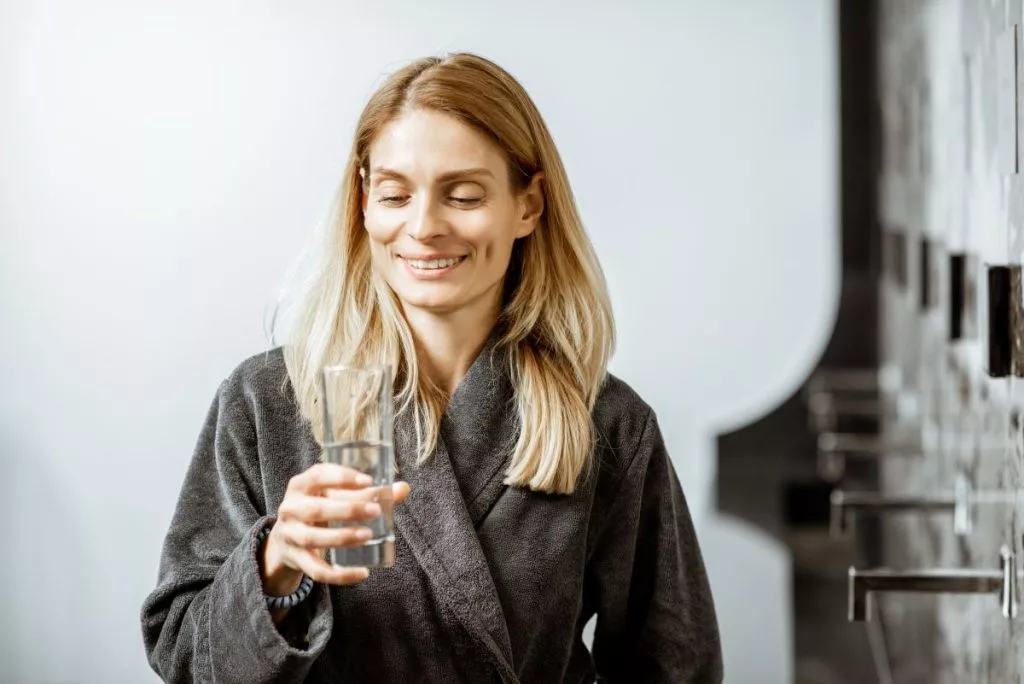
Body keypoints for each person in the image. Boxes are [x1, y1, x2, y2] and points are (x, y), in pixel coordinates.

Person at [140, 51, 723, 684]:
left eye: (464, 195)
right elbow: (183, 657)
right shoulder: (266, 403)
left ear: (528, 205)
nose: (423, 227)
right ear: (364, 202)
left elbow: (677, 666)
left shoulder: (606, 425)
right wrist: (273, 564)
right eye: (395, 194)